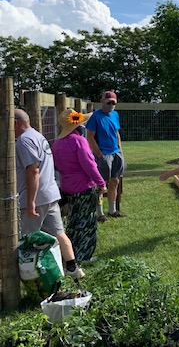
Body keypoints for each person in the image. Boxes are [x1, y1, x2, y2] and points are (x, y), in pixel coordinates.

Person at [14, 108, 86, 279]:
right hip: (50, 194)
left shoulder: (23, 141)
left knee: (25, 240)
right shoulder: (38, 136)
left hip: (35, 199)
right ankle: (73, 268)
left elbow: (33, 171)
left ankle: (29, 277)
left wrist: (30, 202)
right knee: (58, 233)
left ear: (15, 123)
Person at [52, 109, 107, 262]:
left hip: (67, 186)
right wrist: (101, 183)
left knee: (73, 220)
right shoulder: (79, 141)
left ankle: (70, 252)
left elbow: (56, 165)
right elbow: (89, 165)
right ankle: (84, 255)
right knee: (86, 222)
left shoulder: (57, 143)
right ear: (79, 126)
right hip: (83, 187)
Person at [86, 90, 126, 220]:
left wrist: (119, 148)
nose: (111, 105)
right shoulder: (95, 116)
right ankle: (100, 213)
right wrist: (99, 154)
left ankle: (112, 210)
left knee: (115, 181)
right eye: (108, 102)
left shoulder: (115, 115)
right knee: (101, 184)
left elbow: (116, 132)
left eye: (113, 102)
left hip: (116, 153)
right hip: (103, 153)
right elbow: (90, 136)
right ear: (102, 102)